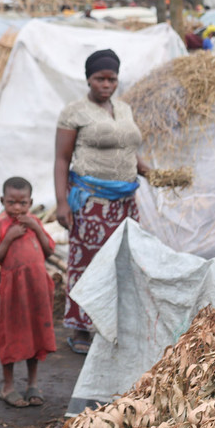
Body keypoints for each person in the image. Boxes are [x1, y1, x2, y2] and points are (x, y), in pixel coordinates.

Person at [54, 48, 149, 355]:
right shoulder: (74, 112)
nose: (106, 84)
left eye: (112, 78)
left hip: (125, 202)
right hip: (92, 202)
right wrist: (61, 202)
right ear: (88, 79)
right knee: (86, 264)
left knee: (123, 262)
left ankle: (114, 324)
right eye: (100, 78)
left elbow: (127, 147)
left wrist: (150, 171)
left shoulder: (123, 109)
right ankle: (81, 328)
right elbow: (61, 158)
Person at [0, 177, 57, 408]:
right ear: (2, 201)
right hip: (14, 290)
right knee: (11, 334)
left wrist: (36, 228)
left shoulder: (35, 222)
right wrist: (9, 238)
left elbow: (47, 251)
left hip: (37, 287)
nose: (17, 208)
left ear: (30, 202)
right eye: (11, 203)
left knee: (35, 333)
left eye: (22, 203)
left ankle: (33, 384)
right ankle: (8, 386)